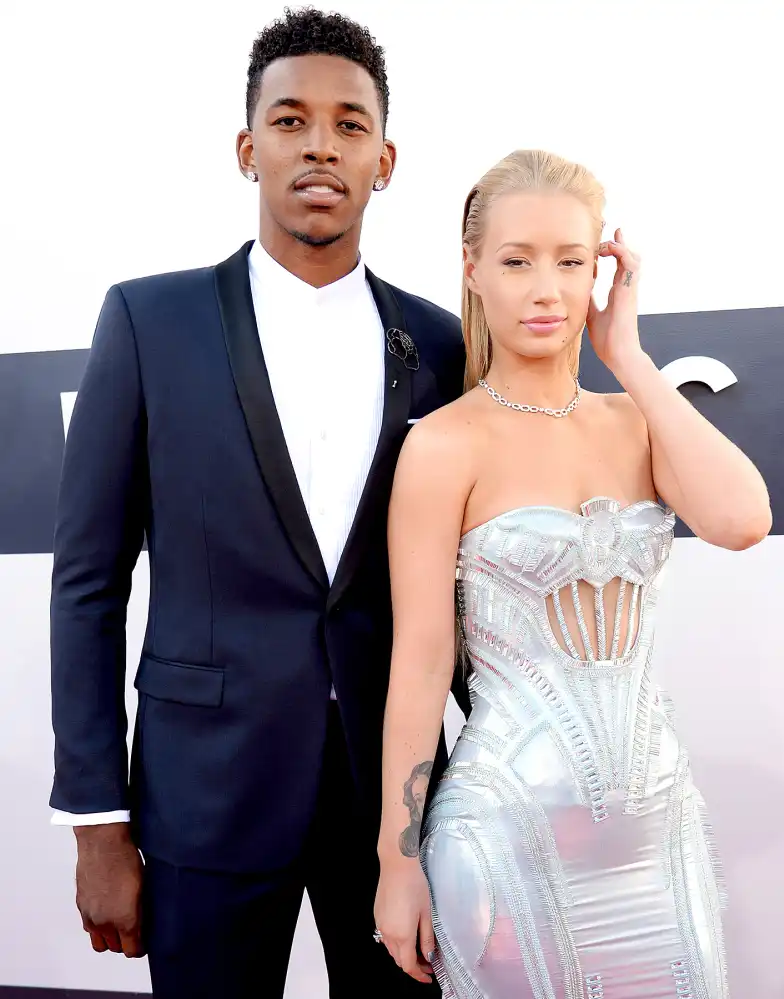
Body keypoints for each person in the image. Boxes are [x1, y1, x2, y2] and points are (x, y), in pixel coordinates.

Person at [48, 9, 467, 998]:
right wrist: (97, 822)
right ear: (248, 149)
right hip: (205, 793)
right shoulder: (148, 321)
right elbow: (88, 583)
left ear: (384, 161)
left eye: (349, 124)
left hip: (396, 804)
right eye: (289, 120)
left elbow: (466, 590)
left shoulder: (442, 344)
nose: (320, 144)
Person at [374, 149, 771, 996]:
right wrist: (396, 860)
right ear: (474, 270)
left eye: (570, 261)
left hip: (658, 838)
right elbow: (420, 664)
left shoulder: (638, 421)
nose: (546, 289)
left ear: (601, 272)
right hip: (504, 835)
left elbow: (743, 520)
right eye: (517, 261)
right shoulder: (444, 444)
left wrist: (628, 356)